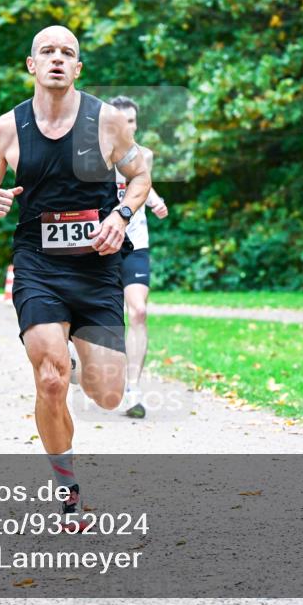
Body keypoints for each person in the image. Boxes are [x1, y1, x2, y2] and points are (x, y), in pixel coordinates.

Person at [0, 25, 151, 526]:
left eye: (67, 53)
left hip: (97, 267)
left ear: (77, 68)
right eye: (46, 51)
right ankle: (67, 490)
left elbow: (139, 175)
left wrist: (120, 217)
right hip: (39, 266)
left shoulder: (106, 121)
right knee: (50, 380)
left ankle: (72, 349)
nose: (56, 59)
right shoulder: (8, 128)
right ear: (31, 65)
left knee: (108, 393)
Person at [109, 96, 169, 419]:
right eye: (121, 121)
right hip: (101, 245)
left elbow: (143, 184)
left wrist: (156, 200)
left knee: (139, 311)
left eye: (131, 121)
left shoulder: (144, 154)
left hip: (135, 242)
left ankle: (133, 389)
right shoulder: (93, 157)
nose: (127, 127)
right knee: (102, 318)